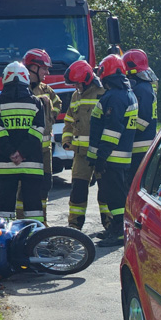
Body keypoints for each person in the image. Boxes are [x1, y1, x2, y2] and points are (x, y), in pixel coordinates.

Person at [88, 54, 138, 247]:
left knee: (116, 197)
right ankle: (116, 228)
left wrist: (101, 157)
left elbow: (111, 131)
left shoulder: (116, 97)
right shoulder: (124, 93)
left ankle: (120, 231)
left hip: (112, 158)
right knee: (112, 195)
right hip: (117, 157)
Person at [0, 62, 46, 222]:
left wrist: (11, 152)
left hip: (7, 164)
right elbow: (38, 130)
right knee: (33, 204)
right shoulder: (35, 103)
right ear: (26, 79)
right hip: (32, 164)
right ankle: (36, 237)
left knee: (5, 205)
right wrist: (22, 152)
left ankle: (4, 239)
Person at [61, 60, 112, 233]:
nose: (75, 86)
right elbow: (68, 120)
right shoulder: (76, 95)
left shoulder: (104, 93)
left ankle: (109, 225)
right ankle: (74, 226)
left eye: (77, 83)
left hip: (100, 153)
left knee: (105, 191)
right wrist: (66, 139)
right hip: (81, 154)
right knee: (78, 190)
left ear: (88, 79)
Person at [15, 48, 62, 222]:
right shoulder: (19, 89)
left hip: (45, 150)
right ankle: (21, 221)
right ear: (33, 68)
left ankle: (41, 222)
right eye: (45, 69)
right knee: (24, 188)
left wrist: (51, 116)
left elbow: (58, 103)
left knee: (45, 186)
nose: (47, 73)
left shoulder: (45, 90)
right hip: (27, 150)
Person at [123, 49, 158, 182]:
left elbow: (142, 120)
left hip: (140, 148)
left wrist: (125, 131)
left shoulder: (141, 89)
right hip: (142, 146)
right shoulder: (144, 87)